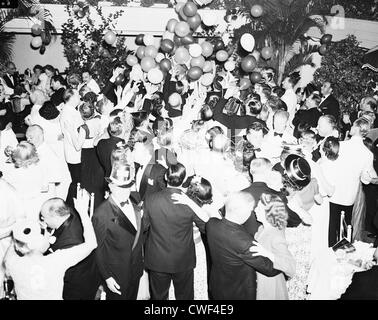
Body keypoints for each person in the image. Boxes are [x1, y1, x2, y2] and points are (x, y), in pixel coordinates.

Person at [4, 193, 97, 300]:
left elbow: (8, 260)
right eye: (44, 234)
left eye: (44, 218)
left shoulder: (13, 264)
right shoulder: (56, 261)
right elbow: (92, 244)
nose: (47, 233)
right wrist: (83, 213)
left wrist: (18, 235)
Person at [143, 162, 207, 300]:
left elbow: (143, 227)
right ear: (184, 180)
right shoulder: (190, 203)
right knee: (185, 297)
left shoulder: (151, 200)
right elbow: (205, 227)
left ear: (166, 177)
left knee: (158, 298)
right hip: (183, 260)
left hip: (157, 260)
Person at [205, 191, 284, 300]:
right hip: (238, 293)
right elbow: (270, 269)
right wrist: (278, 257)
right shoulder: (245, 242)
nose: (252, 212)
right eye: (250, 209)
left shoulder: (211, 224)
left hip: (217, 285)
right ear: (242, 212)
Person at [92, 158, 145, 300]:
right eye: (121, 187)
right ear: (111, 186)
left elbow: (137, 235)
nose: (125, 191)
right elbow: (97, 249)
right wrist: (107, 277)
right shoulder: (101, 214)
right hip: (116, 274)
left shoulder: (135, 203)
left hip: (135, 270)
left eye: (127, 186)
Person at [328, 117, 378, 246]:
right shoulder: (367, 154)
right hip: (350, 195)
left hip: (334, 191)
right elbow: (366, 179)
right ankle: (343, 252)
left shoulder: (341, 145)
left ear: (356, 128)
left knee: (332, 224)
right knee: (346, 225)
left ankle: (330, 251)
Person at [39, 198, 100, 300]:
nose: (42, 220)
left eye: (43, 217)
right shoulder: (70, 212)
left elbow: (57, 270)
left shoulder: (70, 242)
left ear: (55, 217)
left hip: (76, 287)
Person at [254, 193, 296, 300]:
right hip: (263, 282)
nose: (255, 209)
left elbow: (290, 266)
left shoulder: (276, 235)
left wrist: (267, 254)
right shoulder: (262, 229)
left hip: (271, 287)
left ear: (269, 213)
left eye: (259, 207)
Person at [64, 101, 104, 208]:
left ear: (81, 114)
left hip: (86, 154)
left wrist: (71, 131)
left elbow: (77, 146)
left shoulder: (84, 128)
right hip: (96, 152)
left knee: (86, 180)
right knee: (95, 179)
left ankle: (85, 204)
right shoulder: (98, 120)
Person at [1, 141, 49, 221]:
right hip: (37, 203)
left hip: (21, 205)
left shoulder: (14, 173)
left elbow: (5, 185)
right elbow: (45, 187)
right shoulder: (40, 167)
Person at [26, 125, 71, 200]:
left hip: (45, 195)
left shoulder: (49, 154)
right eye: (27, 137)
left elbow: (57, 177)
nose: (28, 140)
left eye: (31, 137)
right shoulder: (34, 149)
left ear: (40, 136)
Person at [60, 89, 83, 207]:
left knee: (76, 181)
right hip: (74, 153)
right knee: (76, 182)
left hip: (72, 152)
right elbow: (72, 138)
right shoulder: (69, 113)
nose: (80, 96)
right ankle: (70, 206)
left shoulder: (69, 110)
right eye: (78, 95)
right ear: (72, 97)